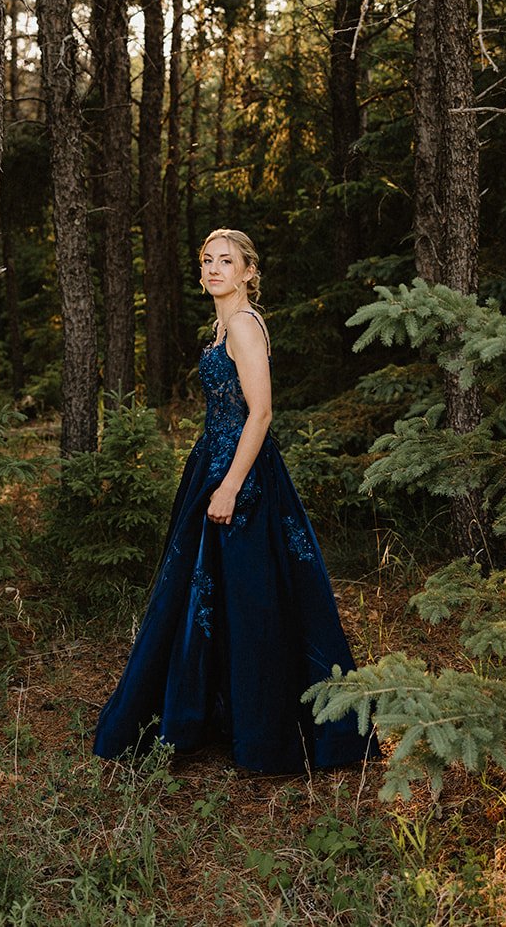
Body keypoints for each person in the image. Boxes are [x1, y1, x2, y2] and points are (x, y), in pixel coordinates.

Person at [92, 228, 378, 773]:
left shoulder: (245, 327)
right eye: (207, 261)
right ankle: (217, 713)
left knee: (256, 599)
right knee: (216, 597)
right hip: (215, 467)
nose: (215, 269)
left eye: (227, 261)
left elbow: (262, 413)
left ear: (249, 271)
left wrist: (229, 485)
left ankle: (268, 734)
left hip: (240, 478)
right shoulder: (222, 327)